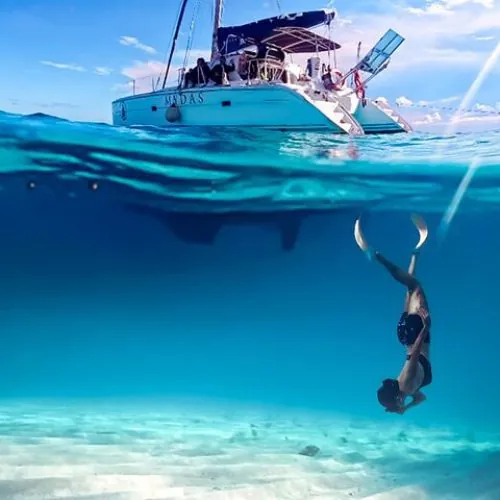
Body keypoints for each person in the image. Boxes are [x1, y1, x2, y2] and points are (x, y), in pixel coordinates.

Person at [354, 214, 432, 415]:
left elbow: (415, 356)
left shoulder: (406, 385)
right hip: (405, 337)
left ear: (396, 397)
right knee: (409, 287)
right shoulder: (407, 390)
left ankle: (377, 256)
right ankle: (415, 252)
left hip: (416, 334)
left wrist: (426, 327)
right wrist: (404, 408)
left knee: (414, 285)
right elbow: (422, 398)